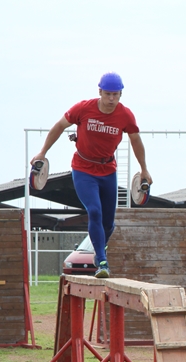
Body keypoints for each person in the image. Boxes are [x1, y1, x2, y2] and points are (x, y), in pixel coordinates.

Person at [30, 72, 152, 279]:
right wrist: (42, 153)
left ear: (121, 94)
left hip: (108, 171)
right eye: (107, 94)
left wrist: (144, 169)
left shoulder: (125, 115)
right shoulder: (83, 108)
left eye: (115, 94)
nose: (111, 99)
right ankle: (102, 261)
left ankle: (99, 250)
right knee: (94, 211)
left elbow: (135, 141)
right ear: (100, 92)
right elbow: (59, 126)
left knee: (109, 224)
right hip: (83, 169)